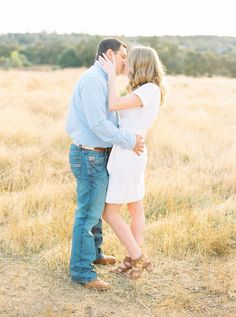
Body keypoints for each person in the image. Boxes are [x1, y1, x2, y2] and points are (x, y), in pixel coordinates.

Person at [66, 38, 145, 290]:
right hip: (88, 155)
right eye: (123, 56)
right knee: (88, 213)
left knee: (97, 208)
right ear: (109, 54)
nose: (126, 61)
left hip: (100, 154)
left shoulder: (103, 80)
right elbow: (98, 124)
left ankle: (95, 254)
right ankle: (81, 272)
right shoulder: (93, 81)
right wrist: (128, 140)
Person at [99, 45, 166, 279]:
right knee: (135, 207)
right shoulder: (147, 89)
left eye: (129, 61)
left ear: (139, 64)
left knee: (110, 212)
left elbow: (113, 104)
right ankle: (132, 259)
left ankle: (137, 256)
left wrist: (109, 76)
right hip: (131, 151)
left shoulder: (149, 90)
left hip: (128, 154)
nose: (125, 65)